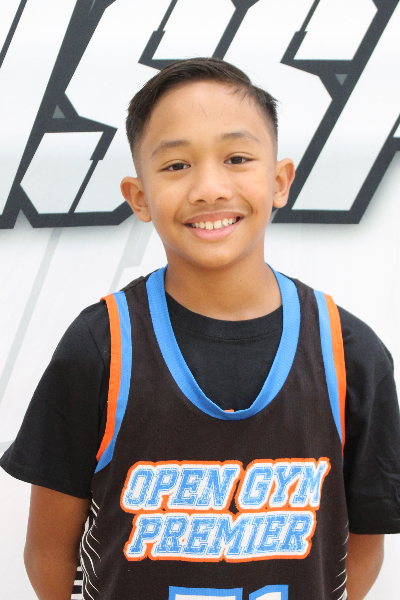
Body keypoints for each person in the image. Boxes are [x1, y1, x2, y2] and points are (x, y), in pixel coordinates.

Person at [1, 58, 400, 600]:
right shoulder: (101, 346)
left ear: (279, 181)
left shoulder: (349, 354)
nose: (209, 188)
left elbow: (365, 540)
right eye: (176, 165)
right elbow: (48, 550)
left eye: (237, 158)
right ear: (139, 197)